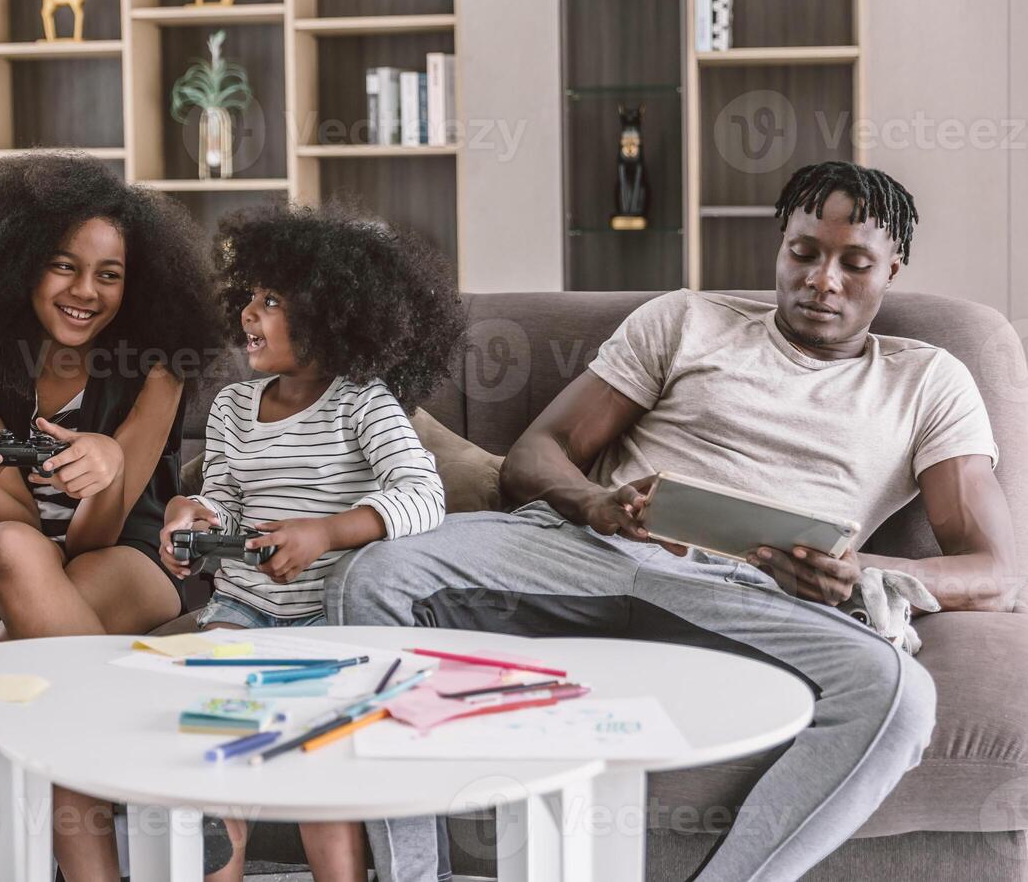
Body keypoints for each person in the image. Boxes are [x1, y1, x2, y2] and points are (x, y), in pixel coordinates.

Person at [326, 161, 1017, 881]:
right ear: (780, 246)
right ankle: (410, 874)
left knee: (900, 697)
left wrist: (862, 574)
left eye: (855, 263)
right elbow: (540, 452)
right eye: (805, 253)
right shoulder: (687, 320)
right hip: (589, 550)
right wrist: (592, 502)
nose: (822, 281)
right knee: (370, 574)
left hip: (750, 597)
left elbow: (996, 572)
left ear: (892, 270)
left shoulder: (928, 380)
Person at [0, 152, 219, 881]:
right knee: (10, 545)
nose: (86, 292)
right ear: (16, 265)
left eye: (110, 274)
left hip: (128, 555)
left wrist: (107, 468)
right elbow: (8, 526)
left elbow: (99, 535)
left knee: (31, 658)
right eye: (64, 266)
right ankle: (143, 767)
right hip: (13, 558)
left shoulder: (159, 363)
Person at [158, 206, 465, 881]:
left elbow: (423, 493)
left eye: (272, 300)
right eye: (250, 296)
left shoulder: (363, 403)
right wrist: (194, 516)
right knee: (216, 759)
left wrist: (327, 531)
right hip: (239, 611)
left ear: (334, 316)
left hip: (331, 620)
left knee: (321, 778)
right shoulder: (234, 408)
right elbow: (225, 498)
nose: (248, 314)